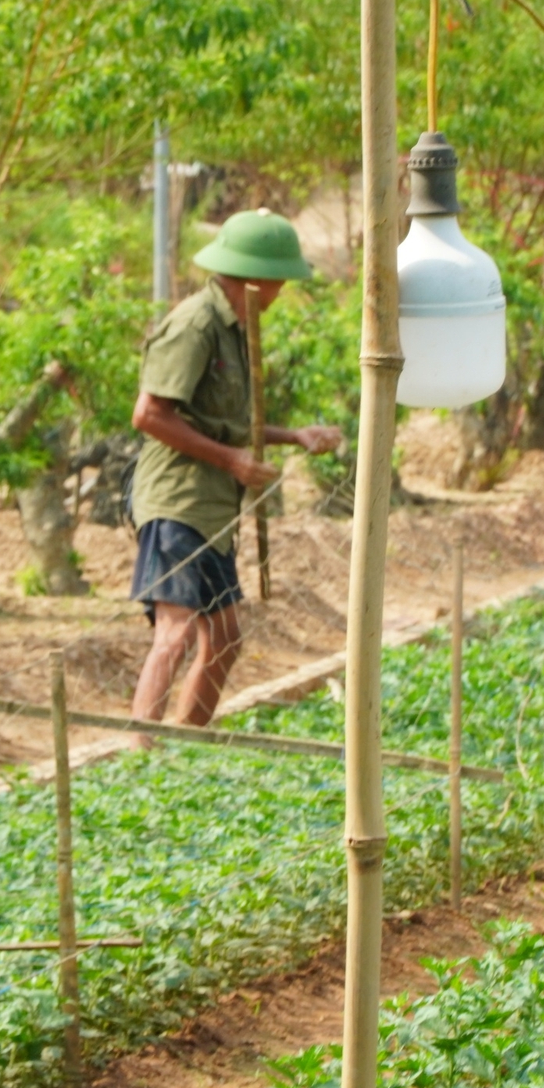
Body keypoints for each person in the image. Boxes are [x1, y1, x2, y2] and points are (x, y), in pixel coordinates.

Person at [127, 210, 343, 737]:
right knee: (174, 634)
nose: (282, 291)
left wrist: (294, 436)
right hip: (178, 501)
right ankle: (140, 754)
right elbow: (149, 415)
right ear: (255, 277)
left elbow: (226, 425)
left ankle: (189, 744)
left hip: (215, 507)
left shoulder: (238, 327)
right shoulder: (197, 324)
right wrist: (232, 462)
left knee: (223, 636)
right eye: (280, 280)